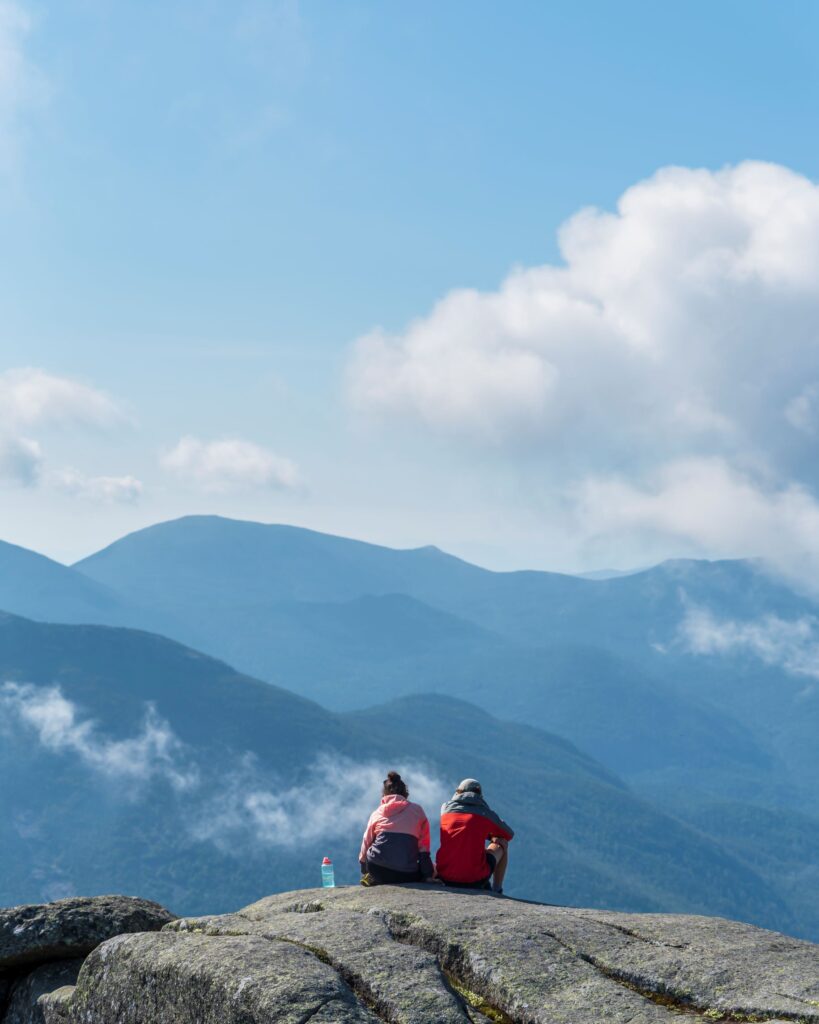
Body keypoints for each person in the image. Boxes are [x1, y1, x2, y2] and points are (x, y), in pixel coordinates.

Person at [435, 778, 513, 894]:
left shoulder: (445, 809)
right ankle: (497, 889)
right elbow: (508, 834)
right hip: (474, 879)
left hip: (444, 875)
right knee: (502, 842)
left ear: (458, 792)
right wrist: (490, 836)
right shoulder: (485, 813)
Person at [359, 771, 434, 886]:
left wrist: (364, 869)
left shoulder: (377, 813)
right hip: (407, 874)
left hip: (377, 869)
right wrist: (428, 875)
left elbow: (366, 841)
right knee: (433, 868)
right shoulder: (417, 811)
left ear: (384, 794)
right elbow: (424, 847)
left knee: (376, 840)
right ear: (405, 793)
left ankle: (373, 878)